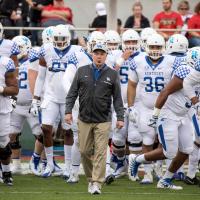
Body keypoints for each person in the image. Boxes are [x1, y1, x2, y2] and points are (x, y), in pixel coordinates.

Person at [65, 43, 124, 195]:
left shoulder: (112, 74)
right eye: (96, 53)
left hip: (104, 119)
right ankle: (91, 179)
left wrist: (120, 117)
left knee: (100, 152)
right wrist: (68, 111)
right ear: (92, 54)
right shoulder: (81, 71)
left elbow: (117, 98)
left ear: (106, 56)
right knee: (84, 150)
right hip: (84, 118)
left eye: (102, 53)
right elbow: (72, 93)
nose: (99, 56)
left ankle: (97, 182)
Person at [30, 24, 83, 178]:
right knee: (46, 128)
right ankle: (50, 164)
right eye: (57, 39)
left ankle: (67, 166)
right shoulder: (46, 50)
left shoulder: (76, 51)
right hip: (51, 96)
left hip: (69, 97)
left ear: (69, 38)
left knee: (68, 131)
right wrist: (35, 98)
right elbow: (40, 77)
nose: (59, 42)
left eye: (62, 39)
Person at [9, 36, 43, 174]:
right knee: (12, 135)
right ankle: (16, 164)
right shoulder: (9, 63)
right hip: (15, 105)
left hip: (31, 105)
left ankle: (37, 161)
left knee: (41, 135)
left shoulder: (34, 61)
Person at [0, 55, 19, 186]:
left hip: (2, 110)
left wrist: (1, 89)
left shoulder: (5, 62)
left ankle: (6, 172)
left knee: (3, 146)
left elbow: (14, 89)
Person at [183, 47, 200, 185]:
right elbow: (187, 84)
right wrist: (196, 101)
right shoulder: (187, 70)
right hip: (193, 108)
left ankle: (191, 174)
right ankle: (190, 173)